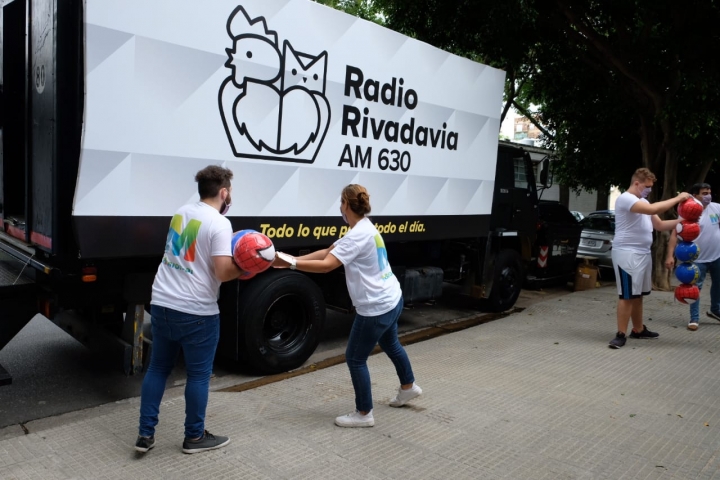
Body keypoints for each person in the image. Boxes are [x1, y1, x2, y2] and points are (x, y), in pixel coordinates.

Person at [273, 184, 421, 427]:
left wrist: (292, 266)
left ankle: (364, 414)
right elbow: (327, 251)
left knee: (355, 359)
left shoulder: (356, 236)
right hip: (392, 297)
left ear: (345, 205)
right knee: (390, 342)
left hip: (375, 307)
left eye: (340, 203)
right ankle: (408, 386)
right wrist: (290, 259)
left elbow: (327, 265)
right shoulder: (363, 227)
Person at [135, 165, 243, 454]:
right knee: (198, 376)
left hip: (162, 302)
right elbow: (222, 272)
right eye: (229, 191)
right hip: (196, 311)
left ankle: (145, 435)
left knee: (158, 368)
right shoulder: (220, 223)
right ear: (223, 192)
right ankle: (194, 437)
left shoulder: (182, 212)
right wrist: (245, 267)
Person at [608, 168, 691, 349]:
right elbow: (653, 209)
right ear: (636, 183)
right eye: (647, 186)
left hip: (643, 253)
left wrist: (682, 222)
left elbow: (660, 225)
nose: (649, 190)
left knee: (638, 296)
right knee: (627, 295)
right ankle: (620, 334)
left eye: (651, 187)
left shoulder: (642, 200)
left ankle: (638, 329)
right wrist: (678, 198)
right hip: (627, 254)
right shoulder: (626, 199)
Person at [665, 183, 720, 330]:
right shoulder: (688, 213)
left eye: (709, 192)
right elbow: (675, 234)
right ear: (695, 196)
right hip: (697, 259)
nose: (708, 196)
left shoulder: (717, 208)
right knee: (695, 289)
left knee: (718, 286)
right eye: (704, 193)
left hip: (717, 256)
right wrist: (670, 255)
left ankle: (715, 310)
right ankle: (694, 319)